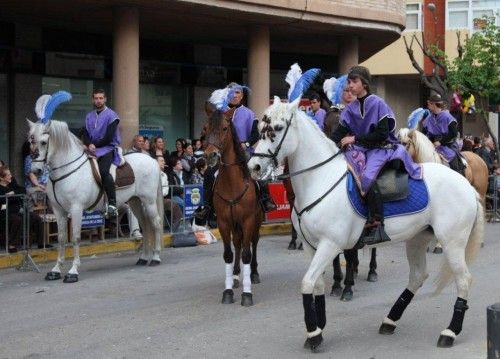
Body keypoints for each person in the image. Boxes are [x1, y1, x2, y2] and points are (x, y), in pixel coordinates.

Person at [332, 66, 422, 245]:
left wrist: (354, 138)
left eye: (354, 81)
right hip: (361, 149)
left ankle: (377, 221)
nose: (350, 85)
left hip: (381, 148)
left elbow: (381, 134)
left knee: (365, 177)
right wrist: (326, 145)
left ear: (364, 83)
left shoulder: (378, 103)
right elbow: (338, 134)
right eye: (349, 82)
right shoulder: (350, 109)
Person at [197, 83, 277, 223]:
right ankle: (207, 206)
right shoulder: (220, 112)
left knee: (258, 171)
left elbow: (255, 135)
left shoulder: (249, 113)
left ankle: (266, 200)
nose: (235, 95)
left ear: (242, 96)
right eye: (232, 92)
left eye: (238, 92)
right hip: (223, 153)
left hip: (244, 151)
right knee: (209, 173)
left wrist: (245, 144)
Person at [81, 89, 121, 217]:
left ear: (105, 99)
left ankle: (112, 204)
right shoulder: (89, 116)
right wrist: (88, 144)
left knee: (104, 172)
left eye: (101, 98)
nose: (98, 100)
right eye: (96, 98)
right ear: (93, 100)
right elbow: (85, 133)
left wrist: (94, 145)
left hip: (107, 148)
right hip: (90, 149)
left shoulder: (112, 115)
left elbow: (109, 137)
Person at [0, 166, 45, 251]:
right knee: (17, 220)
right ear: (2, 178)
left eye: (10, 174)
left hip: (18, 212)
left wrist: (13, 193)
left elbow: (22, 190)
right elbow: (3, 204)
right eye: (8, 175)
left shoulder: (12, 184)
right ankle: (12, 245)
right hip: (5, 215)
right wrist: (13, 198)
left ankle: (41, 243)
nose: (11, 176)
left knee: (36, 218)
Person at [422, 93, 465, 175]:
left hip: (448, 145)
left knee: (454, 164)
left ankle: (460, 178)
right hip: (433, 146)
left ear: (434, 104)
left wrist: (440, 142)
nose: (428, 105)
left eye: (429, 103)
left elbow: (453, 133)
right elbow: (424, 134)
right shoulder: (429, 118)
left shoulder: (447, 116)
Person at [158, 156, 182, 231]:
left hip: (163, 199)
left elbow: (166, 190)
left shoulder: (164, 175)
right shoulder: (153, 174)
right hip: (152, 200)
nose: (164, 162)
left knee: (176, 207)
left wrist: (160, 193)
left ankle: (175, 230)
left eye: (164, 161)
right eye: (161, 161)